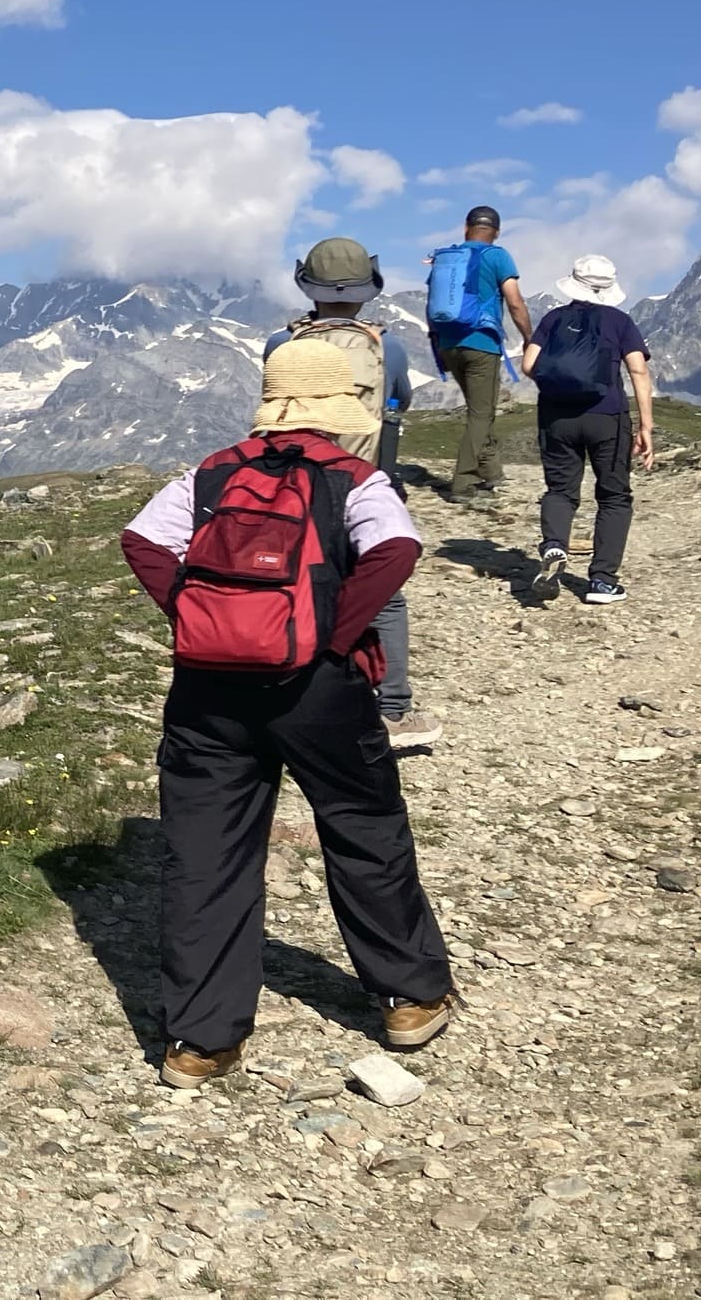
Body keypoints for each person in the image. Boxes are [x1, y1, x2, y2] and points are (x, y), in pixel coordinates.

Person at [121, 342, 457, 1089]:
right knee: (362, 825)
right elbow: (397, 550)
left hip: (207, 689)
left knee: (205, 851)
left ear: (270, 406)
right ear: (340, 409)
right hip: (320, 689)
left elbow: (143, 540)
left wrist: (193, 616)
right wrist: (332, 634)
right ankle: (408, 997)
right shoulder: (354, 479)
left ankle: (199, 1042)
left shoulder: (212, 472)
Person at [262, 236, 439, 751]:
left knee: (294, 579)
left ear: (307, 285)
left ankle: (288, 689)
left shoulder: (282, 344)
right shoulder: (388, 345)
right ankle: (392, 708)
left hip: (294, 483)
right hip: (362, 479)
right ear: (368, 289)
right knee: (384, 595)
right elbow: (400, 400)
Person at [520, 253, 656, 606]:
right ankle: (602, 581)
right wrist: (646, 426)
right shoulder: (619, 322)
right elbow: (638, 372)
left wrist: (560, 384)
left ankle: (553, 546)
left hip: (556, 417)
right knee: (613, 495)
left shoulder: (553, 318)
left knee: (560, 490)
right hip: (606, 416)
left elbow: (529, 364)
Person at [424, 205, 533, 503]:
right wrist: (528, 338)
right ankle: (463, 484)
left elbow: (432, 302)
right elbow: (514, 302)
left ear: (466, 227)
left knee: (477, 409)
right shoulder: (497, 256)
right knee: (481, 413)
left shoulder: (447, 258)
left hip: (449, 344)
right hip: (481, 344)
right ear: (496, 232)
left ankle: (492, 471)